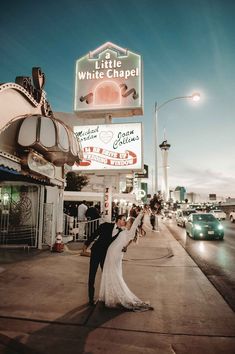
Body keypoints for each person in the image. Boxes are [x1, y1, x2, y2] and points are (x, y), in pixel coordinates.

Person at [99, 211, 153, 312]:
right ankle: (110, 295)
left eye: (127, 221)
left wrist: (141, 214)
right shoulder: (124, 230)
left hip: (115, 255)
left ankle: (116, 296)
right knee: (110, 273)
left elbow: (136, 223)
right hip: (111, 253)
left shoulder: (130, 232)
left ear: (131, 224)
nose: (126, 222)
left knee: (115, 274)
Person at [82, 214, 126, 305]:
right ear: (118, 220)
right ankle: (91, 298)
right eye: (123, 219)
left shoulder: (121, 232)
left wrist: (124, 248)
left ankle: (107, 296)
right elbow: (94, 234)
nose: (124, 222)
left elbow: (121, 244)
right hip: (96, 252)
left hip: (106, 256)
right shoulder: (106, 225)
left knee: (107, 275)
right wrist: (86, 244)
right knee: (92, 274)